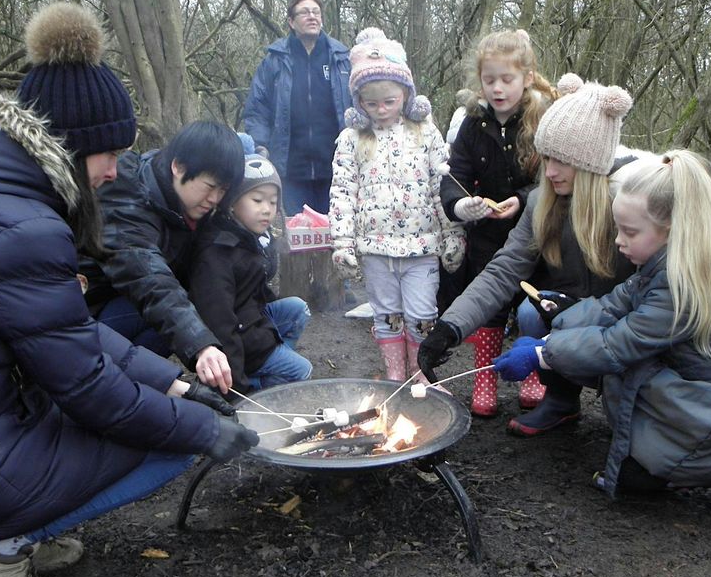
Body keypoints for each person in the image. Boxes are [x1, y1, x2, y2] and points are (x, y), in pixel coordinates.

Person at [0, 2, 258, 577]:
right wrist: (204, 429)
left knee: (162, 413)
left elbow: (78, 334)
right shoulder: (23, 228)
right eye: (107, 154)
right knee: (171, 445)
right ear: (71, 146)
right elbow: (90, 389)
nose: (111, 172)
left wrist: (175, 381)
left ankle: (17, 527)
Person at [491, 151, 711, 524]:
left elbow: (619, 343)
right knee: (634, 468)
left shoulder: (686, 282)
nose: (619, 241)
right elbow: (615, 305)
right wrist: (565, 312)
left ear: (671, 228)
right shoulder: (670, 259)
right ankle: (688, 458)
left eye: (630, 232)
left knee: (625, 383)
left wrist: (544, 354)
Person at [418, 74, 650, 436]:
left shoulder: (632, 208)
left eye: (562, 161)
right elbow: (503, 271)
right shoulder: (543, 203)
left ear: (591, 163)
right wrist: (449, 328)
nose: (550, 172)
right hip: (572, 314)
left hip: (629, 324)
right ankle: (560, 399)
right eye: (546, 159)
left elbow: (654, 300)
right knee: (533, 311)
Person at [329, 28, 463, 381]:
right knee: (386, 313)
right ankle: (394, 377)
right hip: (375, 248)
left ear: (406, 93)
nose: (381, 110)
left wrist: (453, 234)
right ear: (358, 103)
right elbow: (342, 192)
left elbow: (441, 185)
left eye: (389, 100)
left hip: (421, 246)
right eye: (371, 104)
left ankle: (422, 376)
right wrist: (342, 243)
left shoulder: (425, 133)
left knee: (422, 313)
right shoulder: (352, 139)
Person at [438, 30, 559, 417]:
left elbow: (551, 179)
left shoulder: (543, 118)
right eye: (489, 80)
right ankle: (485, 377)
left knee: (534, 304)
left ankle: (531, 374)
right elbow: (452, 177)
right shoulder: (472, 124)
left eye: (506, 79)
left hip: (537, 229)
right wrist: (464, 206)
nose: (497, 88)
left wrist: (522, 200)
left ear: (526, 77)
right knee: (490, 312)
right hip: (488, 232)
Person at [82, 121, 245, 394]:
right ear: (178, 166)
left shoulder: (192, 205)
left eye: (223, 191)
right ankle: (109, 384)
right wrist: (202, 345)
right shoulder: (125, 195)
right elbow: (147, 277)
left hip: (132, 305)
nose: (214, 199)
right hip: (92, 312)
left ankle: (135, 382)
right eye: (210, 186)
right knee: (169, 309)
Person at [189, 156, 312, 392]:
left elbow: (255, 290)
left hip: (251, 317)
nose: (267, 209)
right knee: (302, 370)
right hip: (236, 332)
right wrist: (236, 387)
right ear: (233, 202)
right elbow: (220, 324)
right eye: (257, 200)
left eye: (273, 202)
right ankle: (251, 385)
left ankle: (268, 365)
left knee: (298, 309)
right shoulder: (218, 252)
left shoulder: (251, 236)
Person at [243, 0, 351, 215]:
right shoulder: (275, 61)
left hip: (336, 169)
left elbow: (360, 104)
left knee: (336, 237)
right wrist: (261, 146)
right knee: (297, 240)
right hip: (290, 171)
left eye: (316, 12)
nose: (312, 17)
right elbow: (257, 109)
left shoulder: (341, 59)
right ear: (291, 22)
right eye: (304, 12)